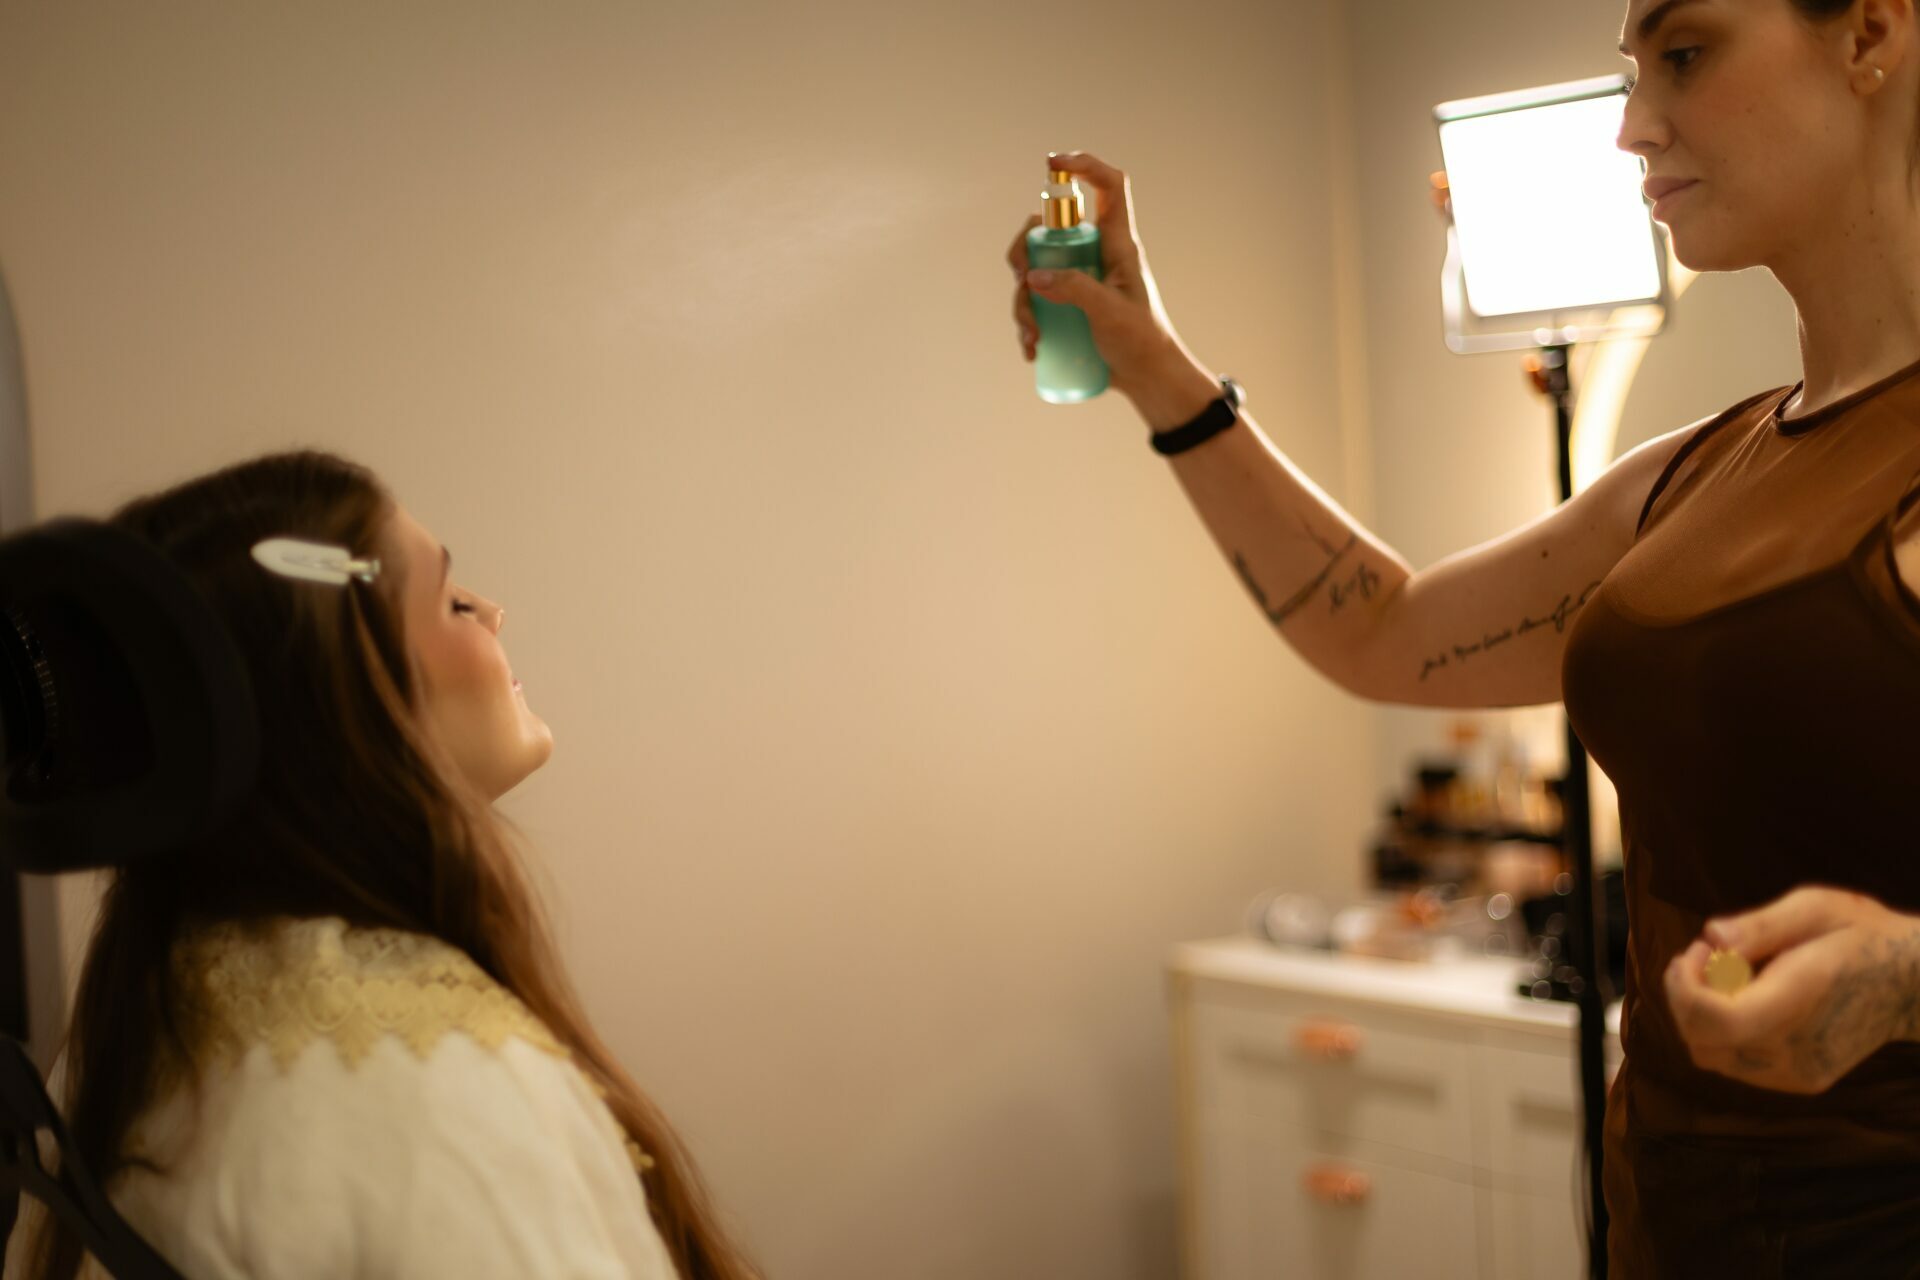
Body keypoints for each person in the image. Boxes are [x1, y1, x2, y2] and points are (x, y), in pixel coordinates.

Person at [1008, 0, 1920, 1272]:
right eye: (1632, 73)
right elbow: (1385, 631)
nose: (1632, 126)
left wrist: (1905, 974)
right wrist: (1154, 364)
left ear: (1869, 32)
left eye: (1685, 55)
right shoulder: (1697, 476)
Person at [13, 451, 759, 1279]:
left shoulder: (129, 1024)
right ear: (337, 708)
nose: (494, 613)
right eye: (450, 600)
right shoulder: (446, 1100)